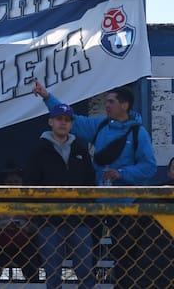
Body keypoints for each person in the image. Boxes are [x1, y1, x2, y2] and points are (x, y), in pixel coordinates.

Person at [31, 79, 157, 287]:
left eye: (111, 102)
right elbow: (73, 119)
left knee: (124, 254)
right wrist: (46, 97)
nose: (106, 105)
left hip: (124, 206)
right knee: (88, 255)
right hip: (96, 203)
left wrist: (122, 173)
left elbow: (149, 166)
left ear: (124, 105)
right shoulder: (100, 125)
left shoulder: (138, 133)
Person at [23, 103, 94, 288]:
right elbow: (30, 183)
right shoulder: (38, 151)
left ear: (71, 124)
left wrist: (88, 209)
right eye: (59, 119)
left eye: (67, 120)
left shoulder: (80, 149)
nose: (63, 123)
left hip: (79, 218)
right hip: (49, 220)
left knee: (86, 271)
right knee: (52, 274)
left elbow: (90, 181)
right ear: (50, 122)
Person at [0, 164, 40, 283]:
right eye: (9, 182)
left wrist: (27, 227)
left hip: (24, 243)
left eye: (16, 181)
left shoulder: (30, 201)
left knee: (33, 270)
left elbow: (39, 223)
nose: (13, 185)